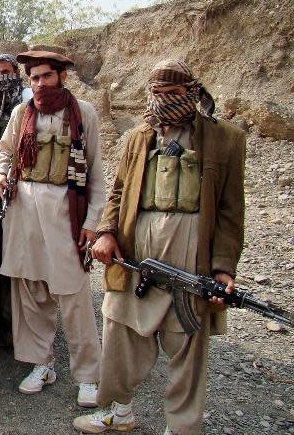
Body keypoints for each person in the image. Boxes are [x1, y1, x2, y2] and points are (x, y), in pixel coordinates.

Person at [73, 59, 245, 435]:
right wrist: (106, 232)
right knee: (119, 330)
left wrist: (223, 269)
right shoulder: (139, 137)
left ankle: (182, 428)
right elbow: (118, 191)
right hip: (136, 251)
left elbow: (231, 213)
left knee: (188, 343)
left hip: (191, 255)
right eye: (157, 94)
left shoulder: (225, 139)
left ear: (193, 93)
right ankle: (117, 411)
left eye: (174, 94)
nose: (164, 102)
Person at [0, 50, 104, 407]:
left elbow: (97, 175)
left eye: (47, 76)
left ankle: (88, 375)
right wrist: (0, 173)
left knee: (72, 295)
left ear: (62, 77)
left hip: (63, 214)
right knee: (30, 290)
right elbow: (5, 153)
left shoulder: (84, 113)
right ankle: (41, 363)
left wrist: (92, 223)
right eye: (35, 78)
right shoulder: (21, 113)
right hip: (24, 212)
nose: (40, 83)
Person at [0, 53, 24, 148]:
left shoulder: (27, 97)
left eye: (5, 72)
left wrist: (7, 142)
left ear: (17, 72)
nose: (0, 77)